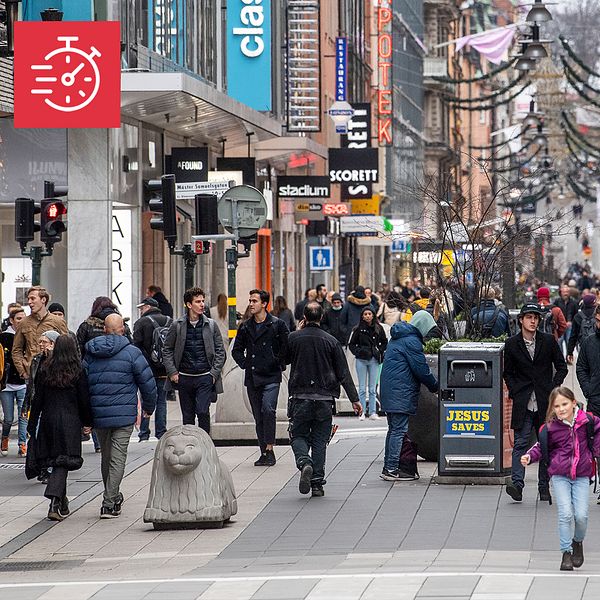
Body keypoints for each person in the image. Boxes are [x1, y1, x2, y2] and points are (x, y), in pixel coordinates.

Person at [83, 314, 156, 518]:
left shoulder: (91, 352)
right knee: (117, 458)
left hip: (99, 414)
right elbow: (147, 383)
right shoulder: (132, 353)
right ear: (122, 329)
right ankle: (109, 502)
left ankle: (113, 497)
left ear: (104, 329)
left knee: (107, 457)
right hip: (124, 415)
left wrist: (85, 416)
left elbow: (82, 384)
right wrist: (148, 408)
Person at [286, 302, 361, 497]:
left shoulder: (294, 338)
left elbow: (282, 360)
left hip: (300, 395)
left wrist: (296, 332)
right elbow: (343, 373)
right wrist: (354, 399)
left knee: (298, 434)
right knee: (320, 440)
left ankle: (304, 462)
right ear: (321, 317)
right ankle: (317, 483)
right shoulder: (331, 341)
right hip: (325, 398)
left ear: (304, 317)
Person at [521, 386, 600, 571]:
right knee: (565, 514)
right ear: (552, 408)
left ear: (573, 403)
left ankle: (577, 542)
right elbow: (541, 446)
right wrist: (529, 456)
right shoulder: (551, 427)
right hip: (560, 475)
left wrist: (595, 451)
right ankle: (566, 553)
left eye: (565, 404)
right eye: (557, 406)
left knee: (581, 516)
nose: (561, 409)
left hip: (581, 475)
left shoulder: (587, 420)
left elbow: (598, 431)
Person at [503, 303, 568, 503]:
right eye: (529, 317)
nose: (533, 321)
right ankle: (517, 484)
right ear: (521, 320)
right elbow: (508, 373)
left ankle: (543, 487)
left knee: (546, 445)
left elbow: (561, 367)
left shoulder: (548, 341)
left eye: (536, 318)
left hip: (544, 402)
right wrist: (515, 390)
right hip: (523, 401)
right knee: (521, 443)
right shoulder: (512, 344)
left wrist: (553, 388)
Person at [27, 335, 93, 522]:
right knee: (62, 461)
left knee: (57, 459)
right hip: (70, 422)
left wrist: (32, 424)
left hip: (49, 420)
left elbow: (37, 398)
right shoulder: (77, 370)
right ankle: (54, 500)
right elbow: (84, 399)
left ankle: (62, 502)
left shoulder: (46, 368)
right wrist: (88, 422)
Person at [232, 289, 289, 466]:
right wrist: (245, 364)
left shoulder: (277, 324)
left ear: (264, 304)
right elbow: (236, 350)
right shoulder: (246, 326)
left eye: (255, 301)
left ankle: (270, 449)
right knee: (258, 416)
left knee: (268, 409)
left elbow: (286, 347)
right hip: (253, 376)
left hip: (271, 375)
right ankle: (263, 451)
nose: (251, 304)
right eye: (250, 300)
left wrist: (278, 362)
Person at [379, 310, 438, 481]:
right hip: (400, 392)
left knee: (393, 430)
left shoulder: (398, 338)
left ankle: (388, 467)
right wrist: (434, 386)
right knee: (399, 430)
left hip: (391, 391)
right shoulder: (412, 342)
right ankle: (391, 469)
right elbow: (421, 369)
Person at [162, 287, 225, 435]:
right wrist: (172, 372)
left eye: (203, 301)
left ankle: (205, 445)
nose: (202, 304)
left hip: (205, 377)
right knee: (188, 416)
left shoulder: (211, 325)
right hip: (184, 377)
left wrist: (214, 373)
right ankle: (190, 446)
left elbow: (220, 351)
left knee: (203, 412)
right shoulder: (177, 325)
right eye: (198, 301)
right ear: (189, 305)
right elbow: (167, 349)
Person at [133, 296, 171, 441]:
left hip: (146, 369)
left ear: (148, 307)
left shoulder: (141, 323)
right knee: (162, 401)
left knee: (146, 399)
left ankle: (144, 433)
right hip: (164, 369)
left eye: (142, 308)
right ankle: (161, 432)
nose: (141, 311)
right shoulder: (169, 321)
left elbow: (135, 346)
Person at [12, 286, 68, 381]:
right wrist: (22, 372)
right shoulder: (24, 323)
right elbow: (16, 350)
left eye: (33, 298)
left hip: (53, 373)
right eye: (28, 299)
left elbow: (66, 347)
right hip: (31, 373)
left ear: (43, 299)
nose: (29, 302)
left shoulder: (58, 321)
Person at [348, 306, 388, 420]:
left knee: (372, 388)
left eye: (369, 314)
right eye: (365, 314)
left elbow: (384, 342)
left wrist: (379, 351)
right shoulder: (358, 329)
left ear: (373, 315)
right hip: (361, 359)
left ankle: (373, 412)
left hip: (374, 359)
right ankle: (362, 412)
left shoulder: (378, 328)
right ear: (362, 316)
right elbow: (352, 344)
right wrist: (358, 352)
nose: (367, 316)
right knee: (361, 388)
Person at [0, 307, 27, 457]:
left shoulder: (27, 335)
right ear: (11, 320)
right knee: (9, 418)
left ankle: (22, 444)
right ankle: (4, 437)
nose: (21, 321)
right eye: (18, 318)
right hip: (6, 384)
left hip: (23, 382)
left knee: (24, 416)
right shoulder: (4, 337)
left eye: (24, 318)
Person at [567, 294, 596, 364]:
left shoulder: (577, 316)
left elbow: (573, 336)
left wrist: (570, 352)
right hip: (596, 346)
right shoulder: (597, 314)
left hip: (582, 346)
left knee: (584, 367)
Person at [554, 285, 578, 354]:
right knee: (559, 341)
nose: (566, 293)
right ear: (561, 292)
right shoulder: (557, 301)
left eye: (567, 291)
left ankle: (568, 356)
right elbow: (554, 312)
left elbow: (576, 315)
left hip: (569, 326)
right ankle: (561, 358)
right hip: (559, 325)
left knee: (569, 341)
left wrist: (571, 322)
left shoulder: (573, 302)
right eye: (564, 292)